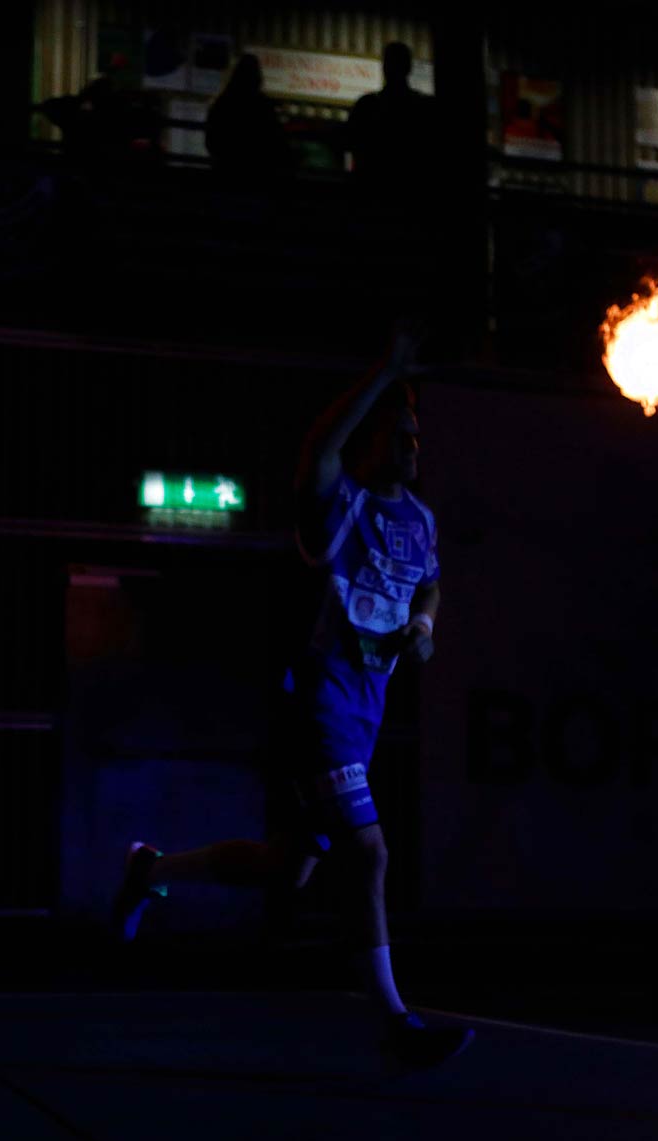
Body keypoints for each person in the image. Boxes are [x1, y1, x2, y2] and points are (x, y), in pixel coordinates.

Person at [111, 322, 474, 1068]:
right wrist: (382, 371)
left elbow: (431, 581)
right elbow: (319, 449)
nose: (411, 447)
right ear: (370, 444)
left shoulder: (421, 518)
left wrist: (426, 625)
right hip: (319, 704)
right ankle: (395, 1021)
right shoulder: (340, 504)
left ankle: (153, 869)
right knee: (369, 855)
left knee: (290, 866)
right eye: (397, 435)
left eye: (417, 436)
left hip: (365, 713)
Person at [344, 42, 438, 189]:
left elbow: (350, 142)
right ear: (409, 68)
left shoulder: (366, 106)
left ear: (384, 68)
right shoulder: (426, 109)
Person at [206, 54, 292, 183]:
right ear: (257, 76)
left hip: (225, 172)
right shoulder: (262, 105)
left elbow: (211, 140)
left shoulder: (223, 103)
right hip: (257, 174)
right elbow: (275, 139)